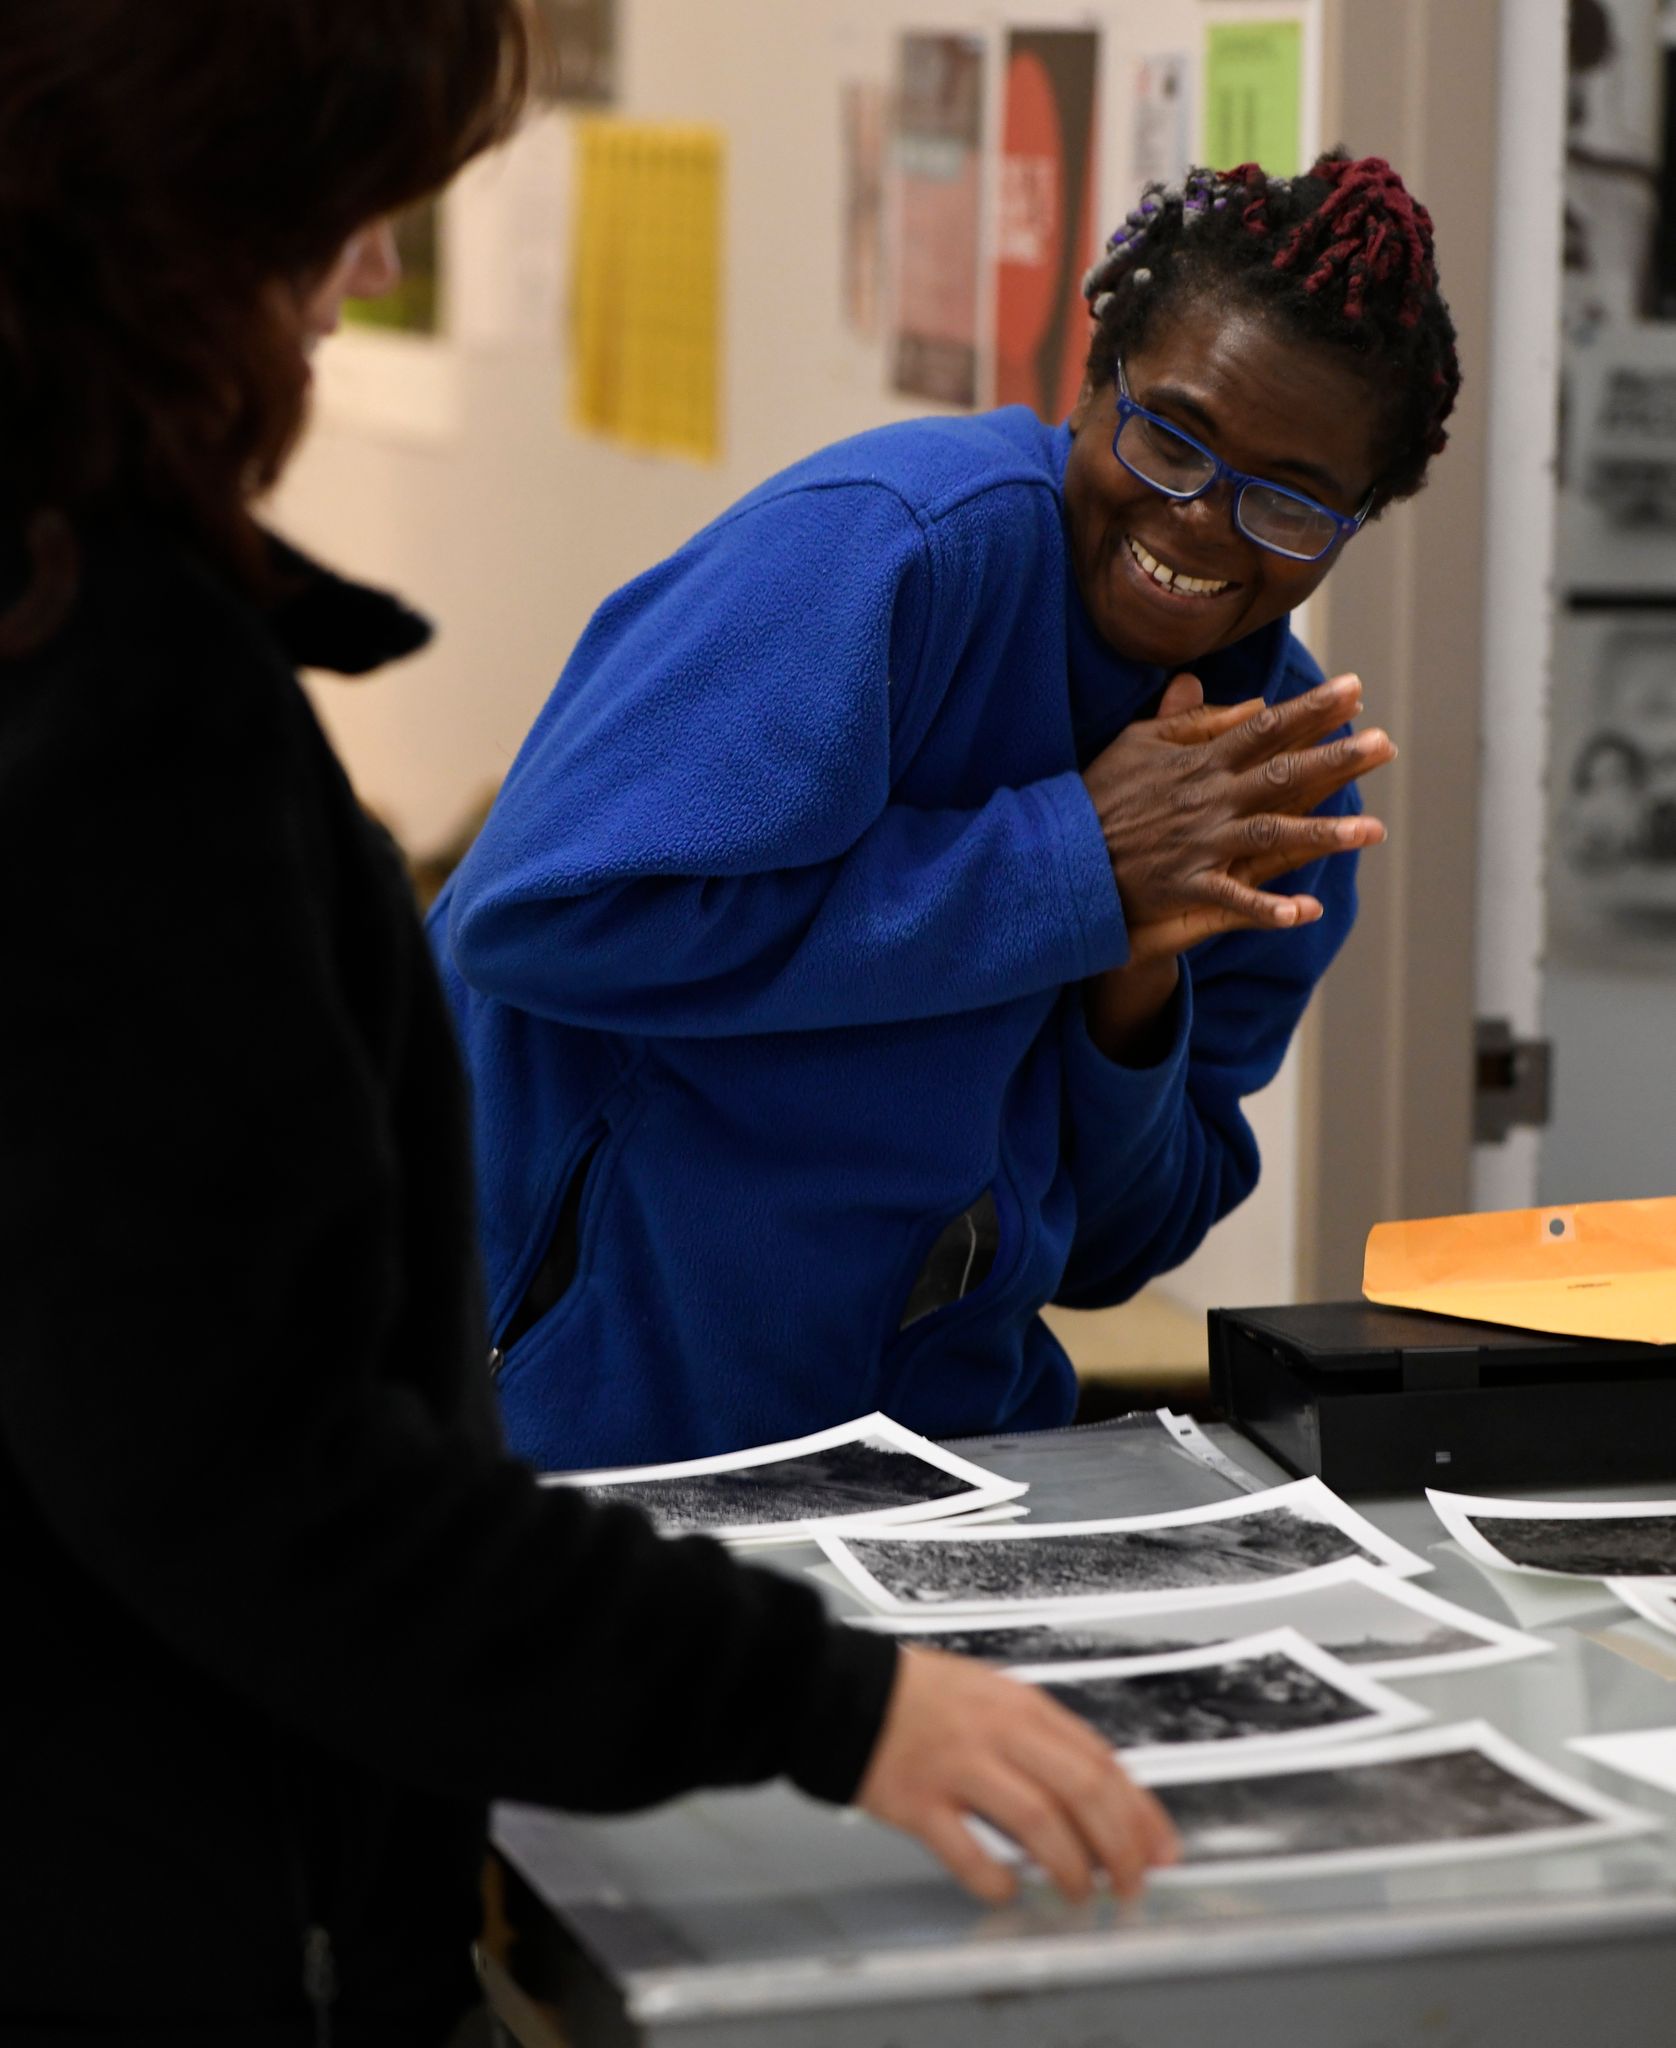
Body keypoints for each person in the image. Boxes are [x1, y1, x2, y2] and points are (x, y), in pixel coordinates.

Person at [0, 5, 1177, 2040]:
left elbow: (1145, 1197)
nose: (367, 274)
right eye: (343, 217)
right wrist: (828, 1700)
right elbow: (244, 1469)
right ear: (178, 233)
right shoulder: (120, 722)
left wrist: (1134, 986)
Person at [432, 153, 1459, 1473]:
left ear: (1357, 521)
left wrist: (1132, 989)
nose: (1204, 522)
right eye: (1170, 437)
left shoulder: (1273, 787)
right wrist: (1071, 869)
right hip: (579, 1427)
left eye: (1291, 500)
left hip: (937, 1456)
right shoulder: (899, 547)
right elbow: (536, 921)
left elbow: (1113, 1253)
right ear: (1091, 386)